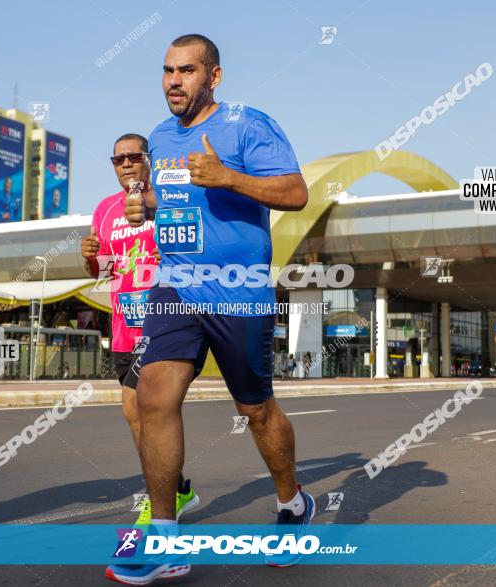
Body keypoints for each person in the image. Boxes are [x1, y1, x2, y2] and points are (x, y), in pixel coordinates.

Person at [107, 34, 311, 585]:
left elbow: (296, 193)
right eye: (168, 71)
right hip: (174, 286)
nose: (174, 81)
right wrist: (142, 206)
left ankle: (292, 504)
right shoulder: (159, 136)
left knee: (257, 411)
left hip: (238, 288)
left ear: (213, 77)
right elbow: (169, 200)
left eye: (187, 71)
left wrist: (230, 178)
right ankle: (166, 541)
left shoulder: (247, 125)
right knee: (153, 394)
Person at [81, 133, 198, 530]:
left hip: (163, 317)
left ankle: (161, 502)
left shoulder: (167, 198)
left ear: (149, 159)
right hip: (122, 325)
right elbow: (103, 269)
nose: (127, 164)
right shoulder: (104, 209)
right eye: (119, 159)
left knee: (136, 407)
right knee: (136, 416)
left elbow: (191, 245)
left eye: (134, 156)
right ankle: (176, 488)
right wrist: (89, 259)